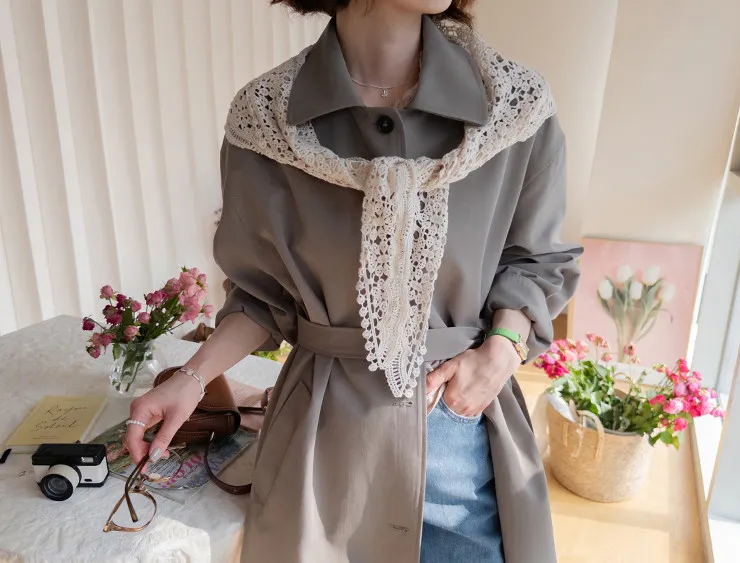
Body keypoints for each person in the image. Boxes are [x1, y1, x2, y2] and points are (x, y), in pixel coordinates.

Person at [124, 1, 582, 561]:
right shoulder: (267, 122)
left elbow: (535, 258)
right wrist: (191, 378)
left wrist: (502, 352)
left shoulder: (513, 106)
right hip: (324, 446)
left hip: (462, 436)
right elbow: (262, 296)